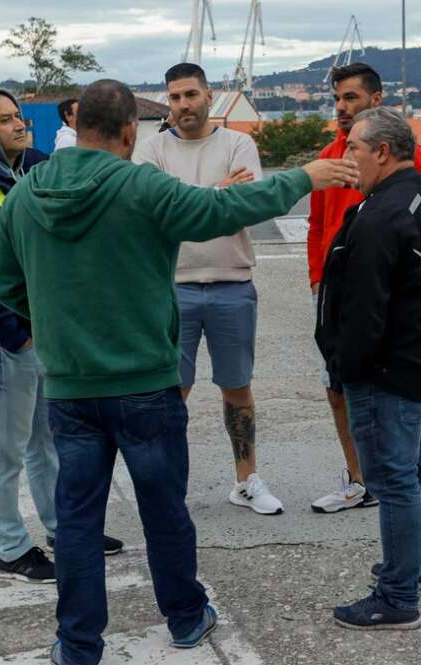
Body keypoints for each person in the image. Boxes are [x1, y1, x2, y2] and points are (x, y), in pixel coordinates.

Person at [0, 79, 358, 665]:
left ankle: (78, 644)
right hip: (144, 386)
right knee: (164, 512)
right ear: (131, 131)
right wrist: (302, 178)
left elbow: (6, 283)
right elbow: (222, 209)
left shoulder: (27, 192)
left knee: (78, 524)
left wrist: (54, 328)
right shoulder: (140, 185)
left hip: (69, 389)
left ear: (77, 124)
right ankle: (185, 618)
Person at [0, 89, 124, 586]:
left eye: (18, 117)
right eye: (4, 120)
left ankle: (65, 529)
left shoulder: (4, 176)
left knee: (44, 443)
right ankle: (10, 548)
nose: (19, 126)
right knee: (3, 449)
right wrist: (22, 338)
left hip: (19, 338)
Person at [316, 107, 421, 630]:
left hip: (390, 372)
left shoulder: (383, 215)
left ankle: (398, 596)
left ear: (382, 152)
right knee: (420, 461)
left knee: (394, 478)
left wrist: (344, 367)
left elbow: (363, 309)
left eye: (354, 147)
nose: (346, 154)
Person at [135, 62, 283, 516]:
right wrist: (219, 191)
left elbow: (248, 206)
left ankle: (246, 481)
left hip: (231, 285)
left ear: (209, 96)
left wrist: (187, 197)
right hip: (172, 289)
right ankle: (167, 488)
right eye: (175, 97)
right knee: (169, 394)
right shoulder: (151, 149)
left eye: (191, 95)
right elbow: (153, 212)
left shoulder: (238, 143)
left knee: (237, 388)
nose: (183, 105)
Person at [307, 62, 421, 515]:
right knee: (336, 387)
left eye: (351, 98)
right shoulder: (328, 153)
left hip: (384, 296)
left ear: (376, 99)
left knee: (384, 389)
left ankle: (394, 473)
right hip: (337, 294)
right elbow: (318, 223)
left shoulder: (402, 154)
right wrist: (318, 279)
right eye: (338, 99)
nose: (341, 107)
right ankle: (360, 477)